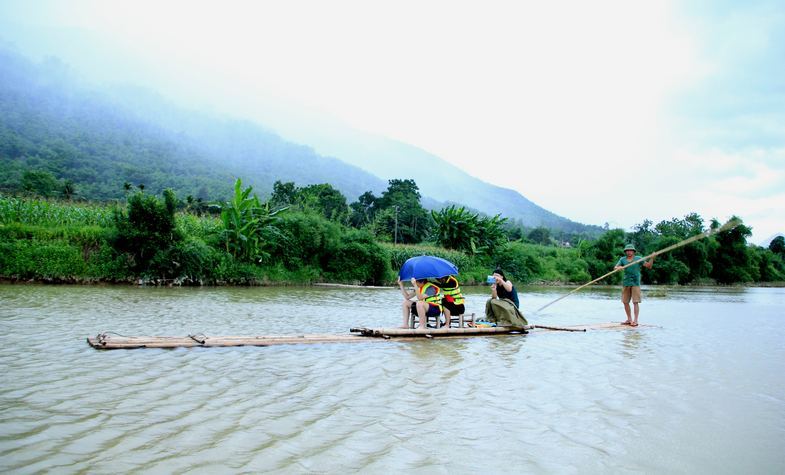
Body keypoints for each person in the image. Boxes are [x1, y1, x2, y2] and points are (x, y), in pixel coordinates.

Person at [614, 244, 654, 327]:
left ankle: (635, 320)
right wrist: (619, 268)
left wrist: (652, 257)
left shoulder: (638, 259)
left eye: (630, 251)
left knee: (635, 302)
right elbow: (615, 268)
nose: (629, 252)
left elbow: (649, 266)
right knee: (625, 302)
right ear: (625, 252)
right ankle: (629, 319)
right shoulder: (623, 259)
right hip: (626, 283)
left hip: (635, 283)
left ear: (633, 252)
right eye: (627, 251)